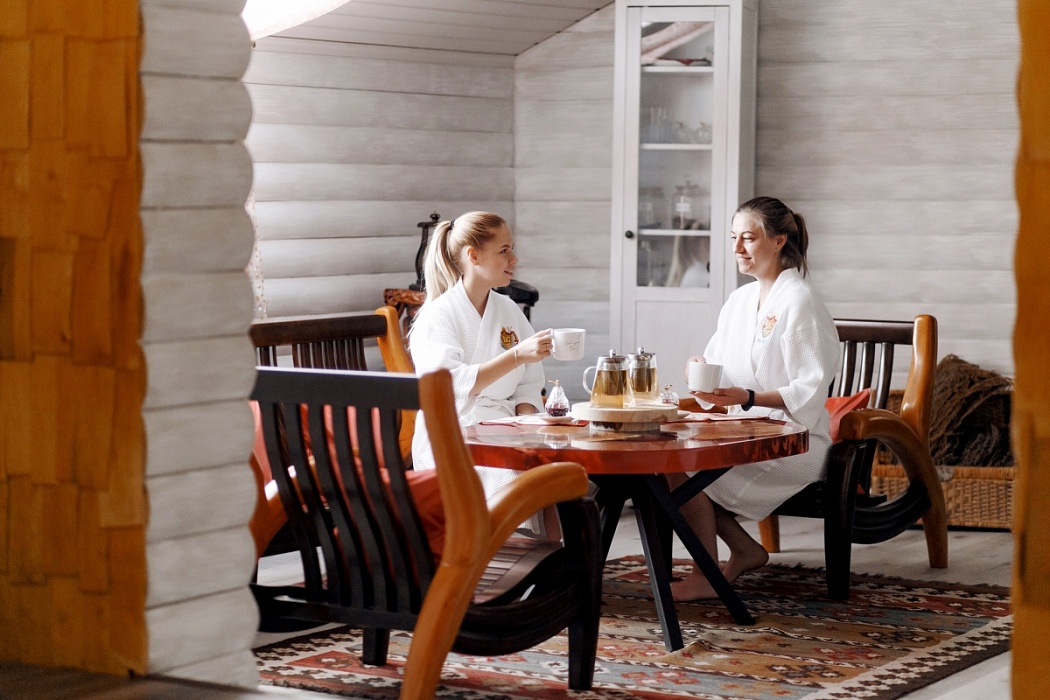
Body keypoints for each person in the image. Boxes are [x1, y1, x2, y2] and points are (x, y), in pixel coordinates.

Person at [670, 196, 841, 601]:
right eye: (733, 237)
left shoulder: (800, 300)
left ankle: (705, 575)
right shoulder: (740, 301)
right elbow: (718, 366)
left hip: (795, 440)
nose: (737, 248)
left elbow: (811, 386)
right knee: (670, 465)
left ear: (779, 241)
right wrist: (699, 368)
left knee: (683, 472)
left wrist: (748, 397)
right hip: (746, 429)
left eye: (748, 238)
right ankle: (744, 551)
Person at [409, 211, 554, 499]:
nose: (514, 259)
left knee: (553, 468)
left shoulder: (508, 309)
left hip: (506, 432)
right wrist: (516, 356)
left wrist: (529, 433)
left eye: (512, 249)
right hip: (453, 438)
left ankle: (552, 534)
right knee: (514, 473)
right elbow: (449, 384)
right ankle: (501, 530)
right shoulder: (439, 316)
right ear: (473, 256)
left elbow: (529, 384)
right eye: (504, 251)